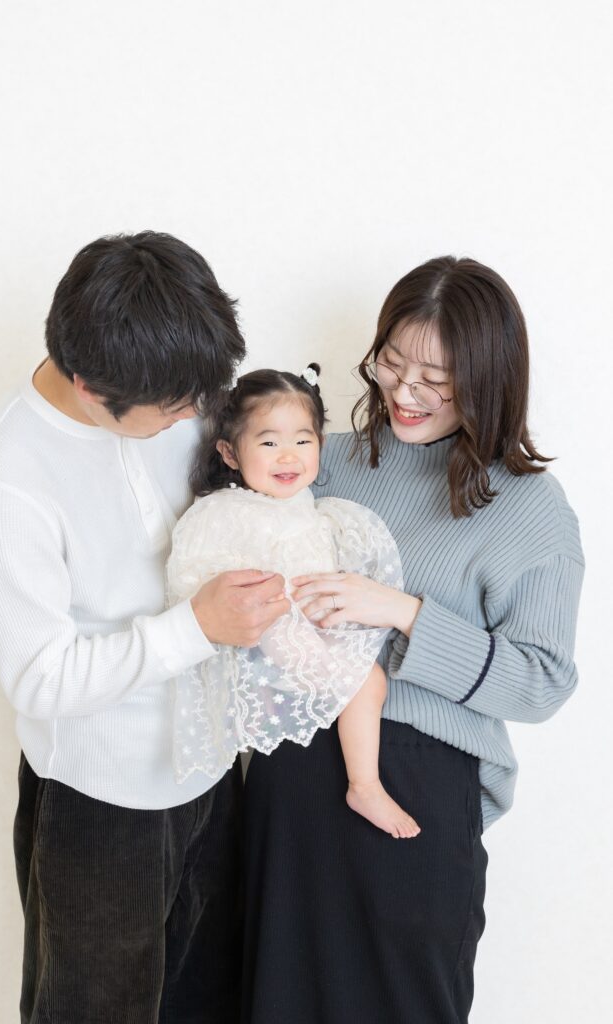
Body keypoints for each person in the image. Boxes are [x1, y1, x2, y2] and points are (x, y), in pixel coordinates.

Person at [0, 231, 291, 1024]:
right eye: (173, 409)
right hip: (99, 804)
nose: (193, 417)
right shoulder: (5, 485)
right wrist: (196, 628)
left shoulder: (171, 388)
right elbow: (40, 678)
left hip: (210, 765)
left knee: (207, 1001)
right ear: (88, 387)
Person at [242, 256, 584, 1024]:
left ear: (490, 378)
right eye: (391, 363)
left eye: (435, 378)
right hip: (289, 774)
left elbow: (541, 682)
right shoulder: (320, 459)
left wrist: (403, 612)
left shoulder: (528, 507)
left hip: (413, 788)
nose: (403, 391)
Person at [166, 365, 420, 839]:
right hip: (271, 629)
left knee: (370, 679)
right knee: (368, 681)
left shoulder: (309, 506)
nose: (288, 456)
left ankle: (361, 779)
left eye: (303, 440)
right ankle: (364, 785)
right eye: (268, 443)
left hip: (307, 626)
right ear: (230, 452)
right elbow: (211, 582)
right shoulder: (228, 512)